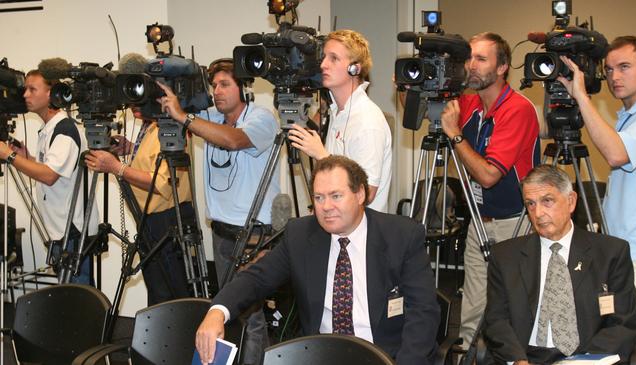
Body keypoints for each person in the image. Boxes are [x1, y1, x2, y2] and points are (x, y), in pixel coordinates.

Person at [194, 155, 440, 365]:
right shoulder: (301, 234)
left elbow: (423, 313)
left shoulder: (402, 235)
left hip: (384, 356)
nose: (326, 206)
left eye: (336, 195)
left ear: (360, 194)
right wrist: (218, 311)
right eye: (319, 198)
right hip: (320, 355)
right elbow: (256, 279)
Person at [158, 58, 279, 365]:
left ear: (244, 89)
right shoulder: (209, 116)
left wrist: (184, 117)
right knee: (223, 311)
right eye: (214, 85)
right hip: (221, 233)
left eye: (225, 84)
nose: (217, 91)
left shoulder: (262, 118)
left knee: (251, 318)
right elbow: (183, 122)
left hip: (253, 235)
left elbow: (234, 140)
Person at [440, 32, 540, 347]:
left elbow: (488, 176)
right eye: (469, 58)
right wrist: (412, 84)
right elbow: (421, 114)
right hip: (478, 221)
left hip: (515, 224)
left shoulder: (517, 109)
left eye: (481, 59)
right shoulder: (470, 103)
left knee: (511, 312)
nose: (471, 65)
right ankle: (468, 353)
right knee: (471, 309)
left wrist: (456, 135)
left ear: (502, 67)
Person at [483, 165, 636, 364]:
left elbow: (624, 323)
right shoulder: (505, 256)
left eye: (547, 201)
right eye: (530, 204)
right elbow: (496, 321)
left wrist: (585, 362)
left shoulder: (610, 253)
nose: (538, 213)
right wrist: (517, 360)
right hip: (525, 356)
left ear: (571, 201)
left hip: (587, 357)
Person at [557, 35, 636, 363]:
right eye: (608, 69)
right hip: (624, 252)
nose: (614, 77)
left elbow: (615, 153)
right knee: (616, 342)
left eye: (625, 67)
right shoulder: (630, 117)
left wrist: (581, 96)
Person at [84, 106, 192, 306]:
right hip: (150, 220)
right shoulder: (151, 125)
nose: (133, 103)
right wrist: (132, 148)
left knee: (172, 295)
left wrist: (117, 167)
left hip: (167, 221)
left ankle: (177, 337)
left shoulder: (170, 126)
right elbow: (152, 160)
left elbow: (162, 184)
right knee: (157, 292)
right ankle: (158, 336)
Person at [0, 69, 98, 285]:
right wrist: (29, 158)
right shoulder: (50, 129)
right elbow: (53, 168)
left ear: (51, 94)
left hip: (71, 230)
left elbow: (50, 176)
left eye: (32, 89)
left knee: (77, 297)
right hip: (60, 227)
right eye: (25, 89)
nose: (25, 95)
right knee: (67, 295)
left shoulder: (64, 130)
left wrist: (10, 155)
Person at [287, 29, 392, 213]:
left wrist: (321, 155)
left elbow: (366, 194)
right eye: (324, 57)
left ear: (355, 68)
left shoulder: (368, 120)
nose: (323, 65)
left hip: (363, 236)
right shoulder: (338, 112)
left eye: (334, 58)